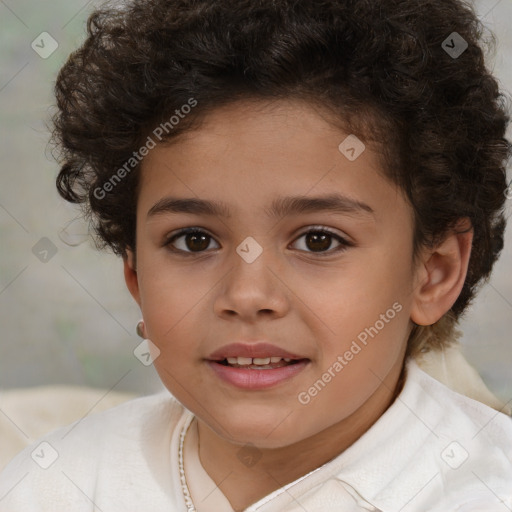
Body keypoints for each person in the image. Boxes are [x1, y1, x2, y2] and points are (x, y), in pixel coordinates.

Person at [1, 0, 511, 510]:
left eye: (318, 240)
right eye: (194, 240)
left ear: (433, 274)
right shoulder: (50, 486)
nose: (248, 296)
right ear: (135, 274)